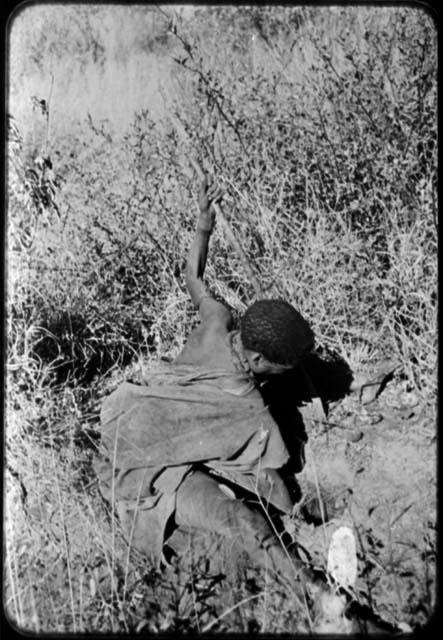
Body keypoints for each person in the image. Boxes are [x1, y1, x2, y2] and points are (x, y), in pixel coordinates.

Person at [94, 175, 396, 631]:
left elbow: (193, 277)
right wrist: (297, 508)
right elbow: (272, 483)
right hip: (146, 470)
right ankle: (320, 601)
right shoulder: (247, 405)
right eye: (278, 367)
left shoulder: (219, 319)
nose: (283, 373)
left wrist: (203, 225)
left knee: (242, 505)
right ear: (255, 359)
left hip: (129, 420)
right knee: (243, 518)